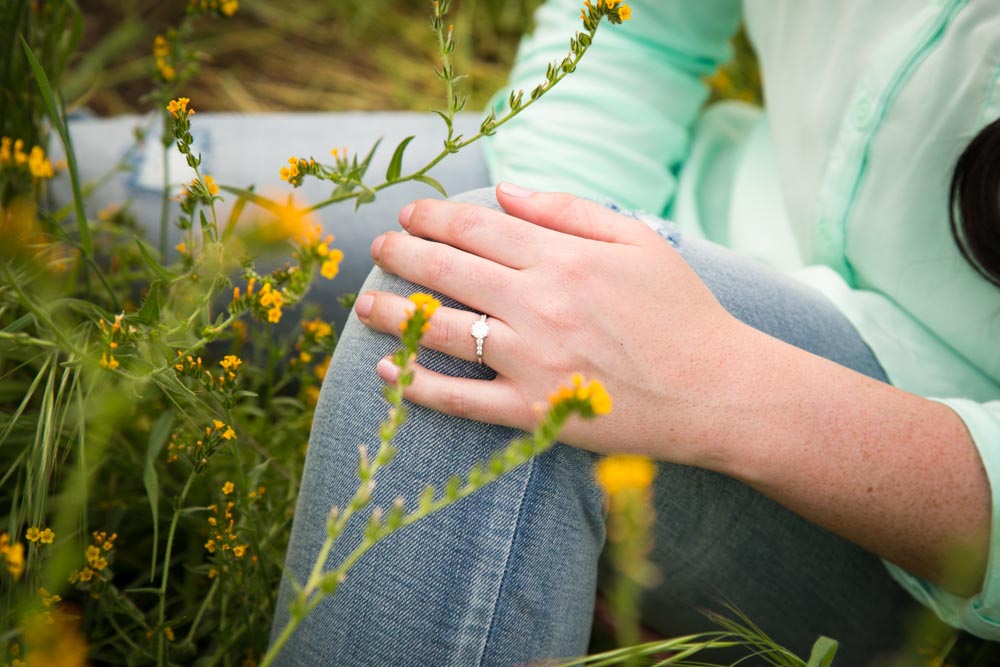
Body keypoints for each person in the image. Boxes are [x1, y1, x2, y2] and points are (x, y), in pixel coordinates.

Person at [270, 1, 1000, 665]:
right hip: (700, 201)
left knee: (449, 319)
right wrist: (564, 234)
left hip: (925, 533)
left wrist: (710, 377)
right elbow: (644, 22)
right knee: (177, 198)